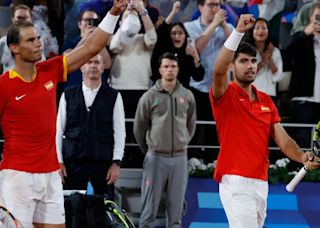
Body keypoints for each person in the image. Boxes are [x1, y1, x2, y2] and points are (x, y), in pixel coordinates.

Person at [0, 0, 127, 227]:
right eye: (30, 40)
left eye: (38, 38)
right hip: (16, 177)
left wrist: (113, 13)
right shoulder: (1, 86)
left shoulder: (50, 70)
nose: (38, 44)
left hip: (51, 175)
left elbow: (92, 47)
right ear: (14, 48)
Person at [211, 14, 320, 228]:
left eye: (253, 61)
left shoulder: (266, 101)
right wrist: (238, 32)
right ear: (232, 67)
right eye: (243, 61)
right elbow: (218, 69)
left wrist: (302, 156)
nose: (250, 65)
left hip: (261, 182)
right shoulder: (224, 94)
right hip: (235, 180)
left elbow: (283, 139)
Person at [134, 52, 196, 228]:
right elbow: (139, 128)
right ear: (160, 70)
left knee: (176, 212)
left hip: (179, 158)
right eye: (166, 66)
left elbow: (191, 124)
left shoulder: (187, 96)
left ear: (178, 69)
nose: (170, 70)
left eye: (173, 66)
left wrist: (182, 142)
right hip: (156, 158)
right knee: (148, 212)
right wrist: (150, 150)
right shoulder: (149, 97)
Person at [56, 54, 125, 198]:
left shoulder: (113, 96)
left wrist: (116, 162)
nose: (93, 66)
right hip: (72, 162)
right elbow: (58, 129)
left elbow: (119, 131)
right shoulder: (68, 95)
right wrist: (59, 161)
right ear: (81, 67)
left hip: (102, 163)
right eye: (88, 62)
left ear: (102, 67)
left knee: (104, 210)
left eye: (97, 62)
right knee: (72, 209)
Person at [183, 0, 234, 121]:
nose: (215, 8)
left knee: (218, 132)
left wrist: (224, 25)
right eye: (211, 4)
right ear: (200, 7)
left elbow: (237, 47)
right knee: (197, 129)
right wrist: (214, 25)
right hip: (197, 87)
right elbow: (197, 48)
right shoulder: (189, 27)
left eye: (217, 5)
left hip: (222, 89)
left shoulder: (229, 28)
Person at [285, 2, 320, 147]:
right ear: (310, 17)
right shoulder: (301, 38)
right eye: (317, 16)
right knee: (302, 141)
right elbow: (287, 56)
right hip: (303, 99)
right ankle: (297, 170)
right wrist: (306, 33)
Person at [151, 1, 204, 89]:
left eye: (180, 33)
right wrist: (173, 12)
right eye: (173, 33)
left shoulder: (189, 53)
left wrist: (195, 57)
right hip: (161, 92)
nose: (177, 36)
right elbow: (161, 32)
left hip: (182, 95)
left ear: (185, 36)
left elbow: (198, 77)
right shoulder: (162, 50)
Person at [0, 4, 46, 73]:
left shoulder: (39, 40)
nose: (22, 21)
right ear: (13, 19)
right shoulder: (3, 41)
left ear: (31, 19)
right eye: (19, 18)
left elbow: (41, 63)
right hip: (11, 80)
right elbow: (2, 61)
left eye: (25, 18)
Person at [245, 18, 283, 101]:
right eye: (257, 28)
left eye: (264, 28)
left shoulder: (275, 51)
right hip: (250, 94)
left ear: (268, 31)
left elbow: (278, 77)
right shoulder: (246, 51)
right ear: (252, 31)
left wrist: (269, 61)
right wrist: (263, 61)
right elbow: (246, 75)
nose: (260, 31)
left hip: (269, 95)